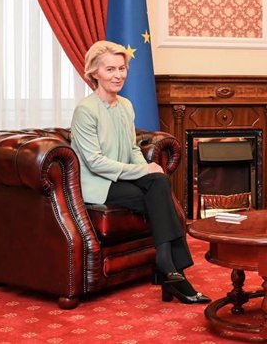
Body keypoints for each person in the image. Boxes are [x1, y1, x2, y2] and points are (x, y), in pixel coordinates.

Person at [70, 41, 210, 304]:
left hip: (121, 177)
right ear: (94, 73)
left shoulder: (125, 105)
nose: (118, 75)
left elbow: (133, 148)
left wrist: (147, 169)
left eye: (122, 68)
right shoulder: (85, 111)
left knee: (158, 182)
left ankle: (168, 267)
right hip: (99, 185)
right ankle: (171, 271)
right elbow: (95, 163)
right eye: (110, 69)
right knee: (158, 190)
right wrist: (141, 170)